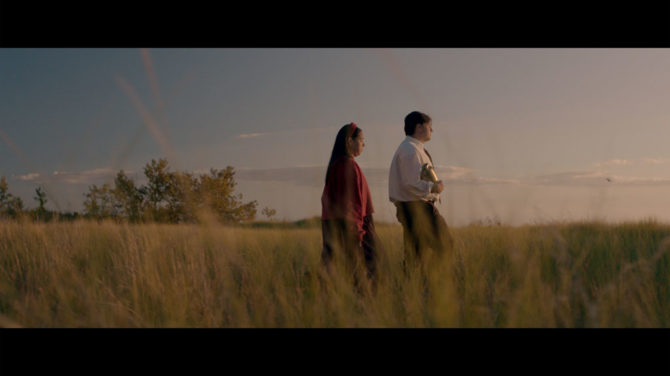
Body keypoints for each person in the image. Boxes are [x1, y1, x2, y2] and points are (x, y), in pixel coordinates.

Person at [389, 111, 454, 273]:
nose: (432, 130)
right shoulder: (410, 150)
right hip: (417, 208)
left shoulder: (413, 149)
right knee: (445, 244)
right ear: (419, 127)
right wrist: (433, 188)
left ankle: (416, 289)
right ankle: (433, 284)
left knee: (416, 255)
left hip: (414, 207)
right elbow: (410, 183)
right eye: (429, 127)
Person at [321, 122, 380, 290]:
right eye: (361, 140)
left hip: (333, 226)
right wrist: (358, 235)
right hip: (354, 227)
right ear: (349, 141)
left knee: (335, 270)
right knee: (371, 269)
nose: (364, 144)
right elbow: (352, 204)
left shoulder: (336, 166)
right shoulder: (348, 166)